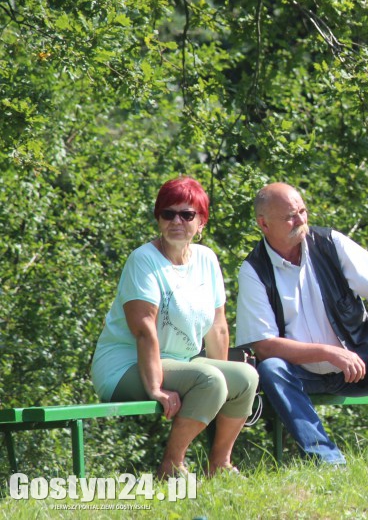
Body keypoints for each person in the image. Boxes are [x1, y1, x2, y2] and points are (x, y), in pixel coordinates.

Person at [235, 182, 368, 465]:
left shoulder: (331, 243)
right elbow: (265, 345)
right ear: (263, 223)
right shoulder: (253, 269)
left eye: (302, 210)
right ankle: (327, 461)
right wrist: (329, 353)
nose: (301, 220)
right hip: (302, 374)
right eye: (290, 216)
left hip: (360, 365)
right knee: (271, 368)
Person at [91, 176, 259, 478]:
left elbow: (218, 327)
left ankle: (219, 464)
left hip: (183, 364)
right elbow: (144, 329)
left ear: (202, 222)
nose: (176, 221)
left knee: (245, 377)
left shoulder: (207, 259)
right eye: (167, 213)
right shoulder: (143, 260)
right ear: (158, 219)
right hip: (126, 366)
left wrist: (224, 381)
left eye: (187, 214)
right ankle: (172, 466)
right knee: (210, 380)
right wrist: (155, 387)